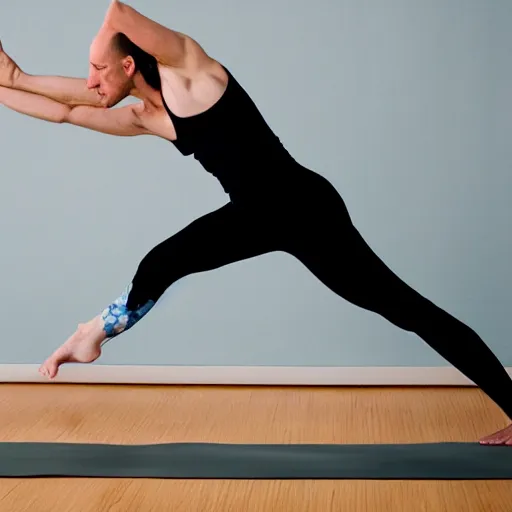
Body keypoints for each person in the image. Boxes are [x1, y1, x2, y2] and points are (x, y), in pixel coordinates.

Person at [0, 1, 510, 446]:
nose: (88, 82)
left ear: (128, 64)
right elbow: (65, 111)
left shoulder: (191, 73)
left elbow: (117, 13)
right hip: (255, 216)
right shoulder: (146, 116)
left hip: (306, 210)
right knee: (161, 261)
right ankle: (95, 332)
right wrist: (13, 82)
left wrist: (94, 43)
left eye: (95, 68)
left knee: (408, 311)